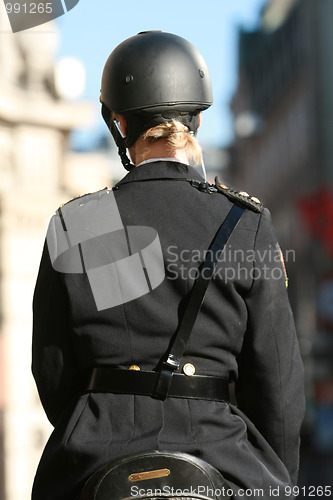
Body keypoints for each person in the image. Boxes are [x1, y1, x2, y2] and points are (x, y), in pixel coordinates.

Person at [31, 31, 305, 500]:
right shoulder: (244, 222)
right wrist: (276, 481)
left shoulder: (78, 224)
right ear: (196, 118)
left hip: (95, 464)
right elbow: (278, 387)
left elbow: (53, 374)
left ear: (118, 123)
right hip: (223, 460)